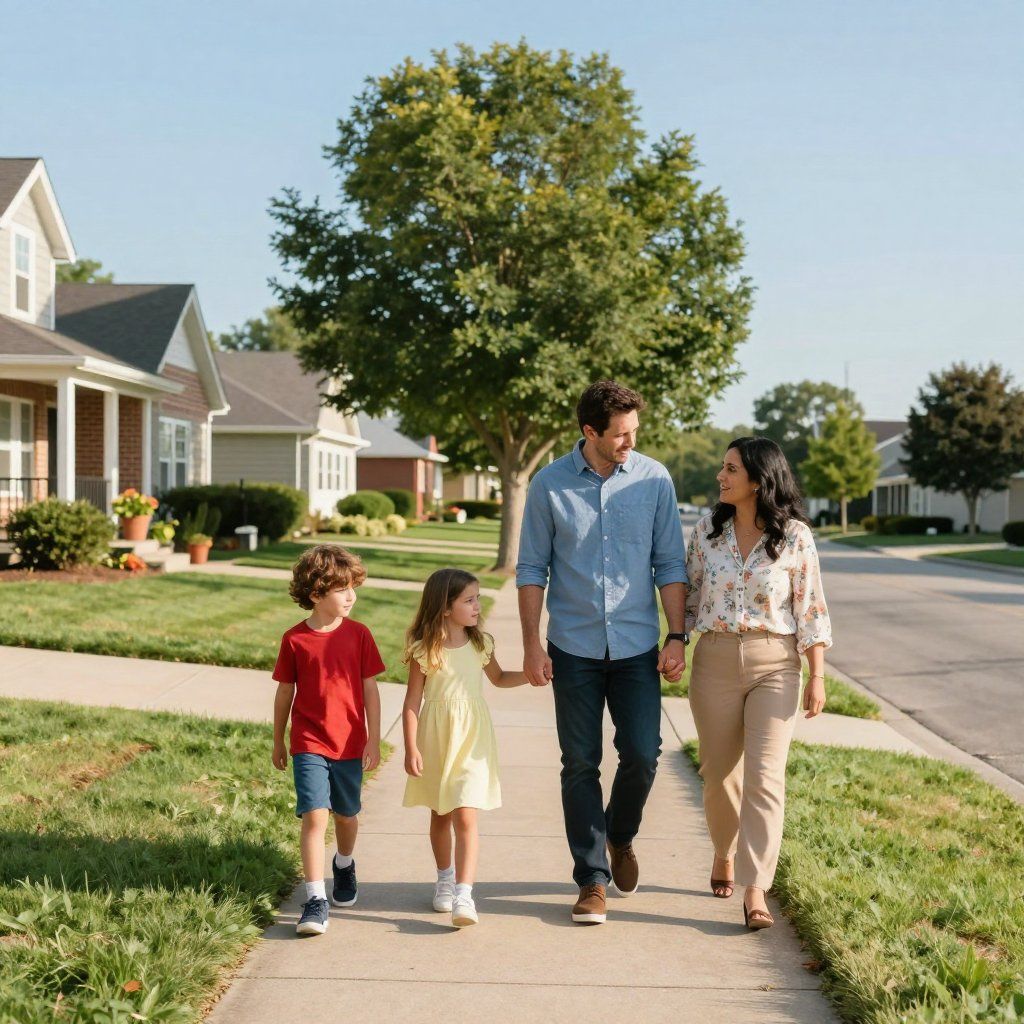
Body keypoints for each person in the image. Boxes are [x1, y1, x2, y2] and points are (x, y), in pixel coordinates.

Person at [516, 380, 688, 925]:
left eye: (635, 432)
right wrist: (530, 646)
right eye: (620, 434)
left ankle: (620, 835)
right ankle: (591, 879)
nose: (629, 443)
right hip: (573, 646)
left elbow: (670, 564)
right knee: (580, 763)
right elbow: (530, 570)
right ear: (589, 432)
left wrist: (677, 635)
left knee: (643, 753)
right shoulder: (549, 485)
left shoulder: (655, 479)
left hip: (638, 644)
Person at [685, 436, 832, 930]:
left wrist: (817, 676)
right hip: (715, 660)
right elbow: (687, 592)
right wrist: (671, 642)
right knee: (719, 773)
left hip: (777, 662)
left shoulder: (795, 537)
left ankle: (755, 889)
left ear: (758, 478)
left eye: (729, 469)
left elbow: (810, 607)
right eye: (721, 467)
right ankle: (723, 852)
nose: (720, 477)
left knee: (766, 779)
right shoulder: (707, 531)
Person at [402, 568, 527, 927]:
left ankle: (464, 894)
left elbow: (500, 679)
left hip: (472, 740)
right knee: (440, 815)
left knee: (466, 815)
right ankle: (444, 878)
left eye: (477, 598)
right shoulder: (424, 650)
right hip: (436, 738)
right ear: (445, 607)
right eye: (469, 600)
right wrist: (411, 746)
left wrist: (533, 676)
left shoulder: (480, 644)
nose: (477, 606)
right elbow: (412, 702)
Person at [271, 544, 385, 937]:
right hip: (309, 741)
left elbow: (370, 690)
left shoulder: (359, 635)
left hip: (351, 741)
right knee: (315, 815)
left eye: (354, 587)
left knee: (346, 817)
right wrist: (278, 740)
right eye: (342, 589)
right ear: (316, 594)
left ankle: (345, 862)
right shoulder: (294, 640)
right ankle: (316, 898)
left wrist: (372, 739)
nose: (351, 596)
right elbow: (285, 692)